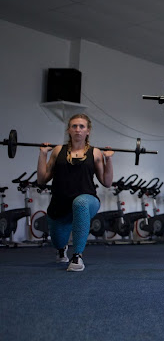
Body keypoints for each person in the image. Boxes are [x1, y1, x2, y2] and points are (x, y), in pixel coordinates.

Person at [36, 114, 113, 272]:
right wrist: (43, 154)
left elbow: (107, 182)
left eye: (82, 126)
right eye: (74, 126)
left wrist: (109, 160)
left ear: (88, 131)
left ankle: (77, 256)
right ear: (69, 130)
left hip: (88, 200)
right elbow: (42, 179)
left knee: (80, 203)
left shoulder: (95, 153)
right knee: (58, 241)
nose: (78, 129)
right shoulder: (58, 151)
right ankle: (61, 249)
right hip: (60, 204)